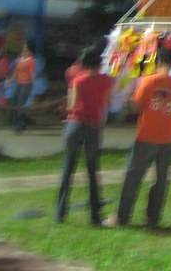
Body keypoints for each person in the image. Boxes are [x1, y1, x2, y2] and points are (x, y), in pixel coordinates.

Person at [105, 39, 171, 229]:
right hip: (168, 138)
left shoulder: (148, 81)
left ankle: (122, 217)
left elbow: (136, 105)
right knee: (160, 180)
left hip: (146, 136)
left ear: (157, 62)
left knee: (133, 177)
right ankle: (153, 218)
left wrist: (127, 100)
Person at [56, 44, 114, 224]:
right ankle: (95, 215)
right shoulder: (107, 81)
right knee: (92, 171)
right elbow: (108, 104)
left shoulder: (78, 81)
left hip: (75, 124)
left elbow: (72, 106)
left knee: (68, 169)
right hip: (93, 127)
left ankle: (60, 212)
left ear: (84, 63)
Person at [7, 41, 36, 132]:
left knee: (21, 103)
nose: (24, 48)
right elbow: (16, 72)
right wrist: (10, 81)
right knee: (16, 101)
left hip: (26, 84)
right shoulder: (20, 59)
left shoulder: (31, 61)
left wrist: (32, 85)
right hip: (19, 83)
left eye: (25, 47)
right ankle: (24, 119)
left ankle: (20, 124)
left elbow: (32, 74)